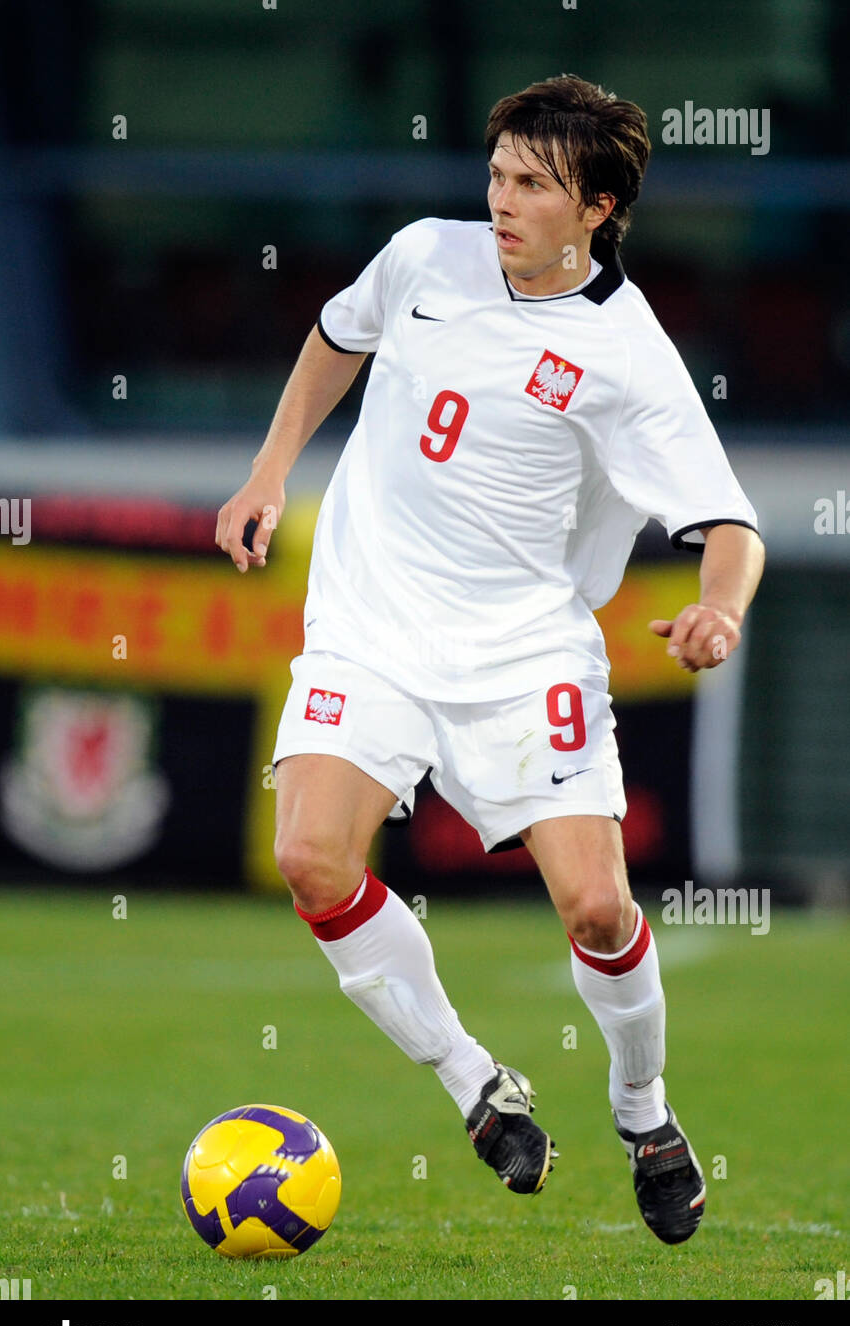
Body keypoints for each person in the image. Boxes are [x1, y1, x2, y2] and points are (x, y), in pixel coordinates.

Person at [216, 73, 764, 1244]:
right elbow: (333, 336)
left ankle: (643, 1112)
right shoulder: (425, 256)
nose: (500, 200)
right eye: (497, 172)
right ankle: (474, 1081)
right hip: (370, 624)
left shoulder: (627, 357)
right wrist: (268, 471)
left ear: (599, 208)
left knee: (600, 908)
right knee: (311, 859)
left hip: (524, 652)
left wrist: (718, 611)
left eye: (533, 183)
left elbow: (729, 524)